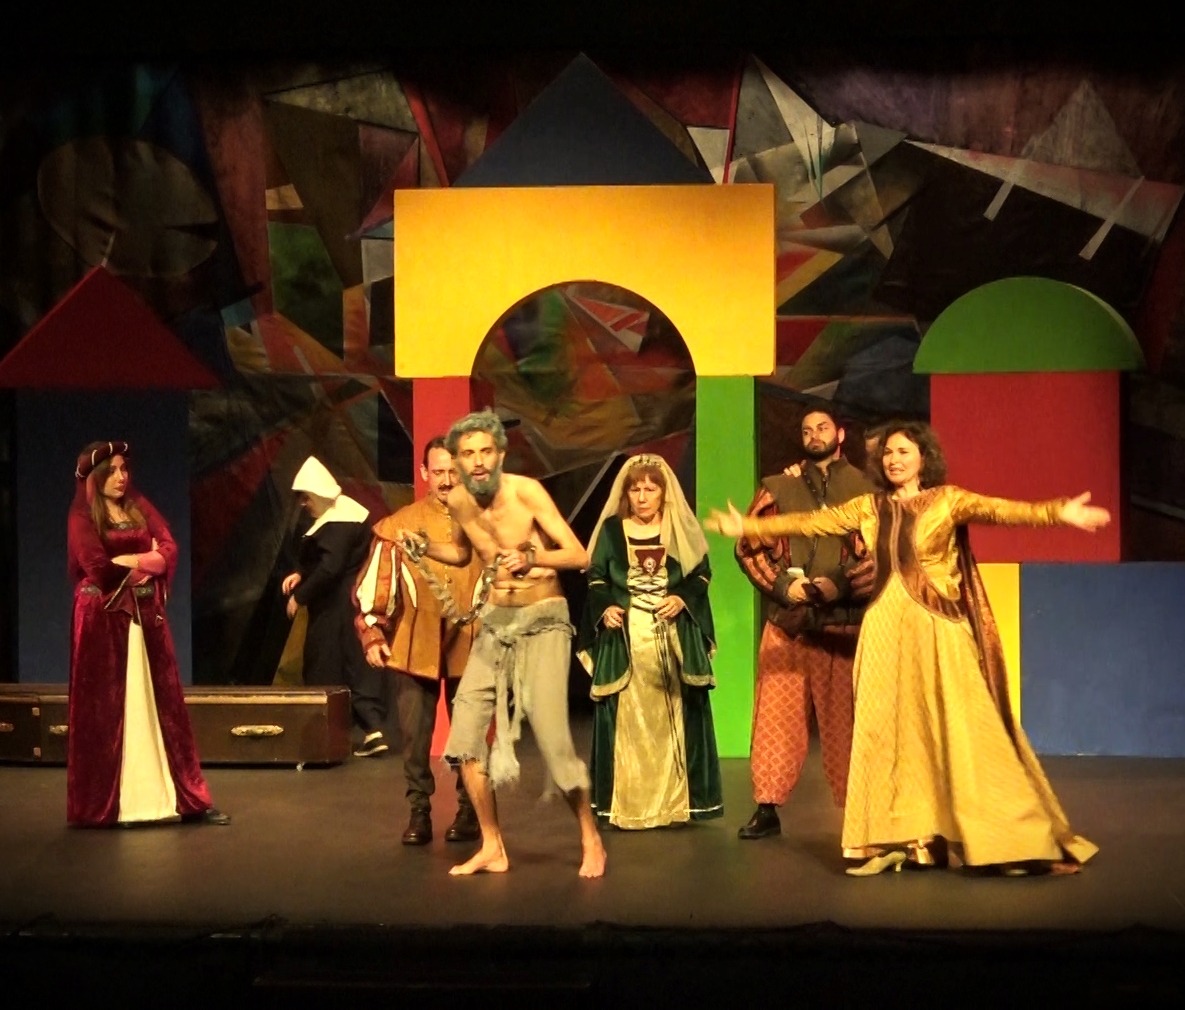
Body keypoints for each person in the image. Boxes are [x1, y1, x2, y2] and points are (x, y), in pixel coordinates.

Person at [706, 421, 1108, 875]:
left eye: (903, 451)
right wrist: (750, 524)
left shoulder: (947, 500)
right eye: (888, 453)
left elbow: (1000, 510)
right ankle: (910, 840)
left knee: (965, 726)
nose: (894, 459)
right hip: (883, 631)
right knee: (888, 734)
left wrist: (1058, 512)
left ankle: (1006, 838)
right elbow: (810, 522)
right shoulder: (869, 506)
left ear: (923, 458)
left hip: (938, 628)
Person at [399, 409, 606, 878]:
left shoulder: (526, 493)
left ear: (500, 454)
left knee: (553, 738)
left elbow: (579, 555)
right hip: (494, 622)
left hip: (543, 619)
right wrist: (425, 547)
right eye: (467, 454)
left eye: (485, 451)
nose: (476, 462)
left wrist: (533, 558)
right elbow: (462, 553)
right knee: (464, 737)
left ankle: (590, 837)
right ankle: (492, 845)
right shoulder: (458, 502)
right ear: (457, 460)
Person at [66, 440, 227, 827]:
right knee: (110, 710)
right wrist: (148, 562)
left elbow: (169, 547)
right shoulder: (82, 517)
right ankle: (110, 806)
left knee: (163, 707)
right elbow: (99, 570)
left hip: (146, 618)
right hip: (104, 623)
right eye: (112, 471)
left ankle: (183, 800)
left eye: (124, 469)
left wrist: (135, 559)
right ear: (96, 477)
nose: (121, 477)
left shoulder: (137, 505)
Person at [735, 409, 874, 840]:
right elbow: (748, 544)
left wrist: (840, 584)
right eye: (807, 430)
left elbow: (880, 554)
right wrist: (783, 586)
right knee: (776, 718)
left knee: (846, 724)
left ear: (841, 434)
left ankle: (859, 812)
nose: (815, 435)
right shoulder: (779, 487)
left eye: (823, 427)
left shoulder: (866, 489)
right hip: (789, 623)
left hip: (842, 627)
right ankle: (767, 807)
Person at [577, 454, 721, 829]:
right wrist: (606, 606)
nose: (642, 497)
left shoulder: (679, 529)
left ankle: (675, 805)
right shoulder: (612, 531)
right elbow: (596, 576)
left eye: (650, 488)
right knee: (630, 723)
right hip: (628, 640)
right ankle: (629, 806)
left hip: (671, 640)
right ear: (626, 493)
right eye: (636, 489)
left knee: (673, 719)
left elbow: (701, 574)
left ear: (663, 492)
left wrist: (681, 598)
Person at [354, 437, 485, 845]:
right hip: (416, 640)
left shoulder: (483, 521)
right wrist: (373, 633)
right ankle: (419, 810)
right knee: (414, 735)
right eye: (438, 471)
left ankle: (469, 809)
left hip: (472, 639)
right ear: (425, 472)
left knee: (470, 732)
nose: (446, 480)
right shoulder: (399, 525)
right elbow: (376, 585)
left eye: (453, 471)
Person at [282, 456, 387, 756]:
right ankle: (368, 731)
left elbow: (331, 567)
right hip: (347, 601)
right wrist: (301, 573)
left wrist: (300, 596)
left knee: (328, 663)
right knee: (349, 663)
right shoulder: (342, 517)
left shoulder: (339, 523)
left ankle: (332, 736)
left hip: (337, 606)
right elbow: (326, 559)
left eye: (306, 498)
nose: (304, 504)